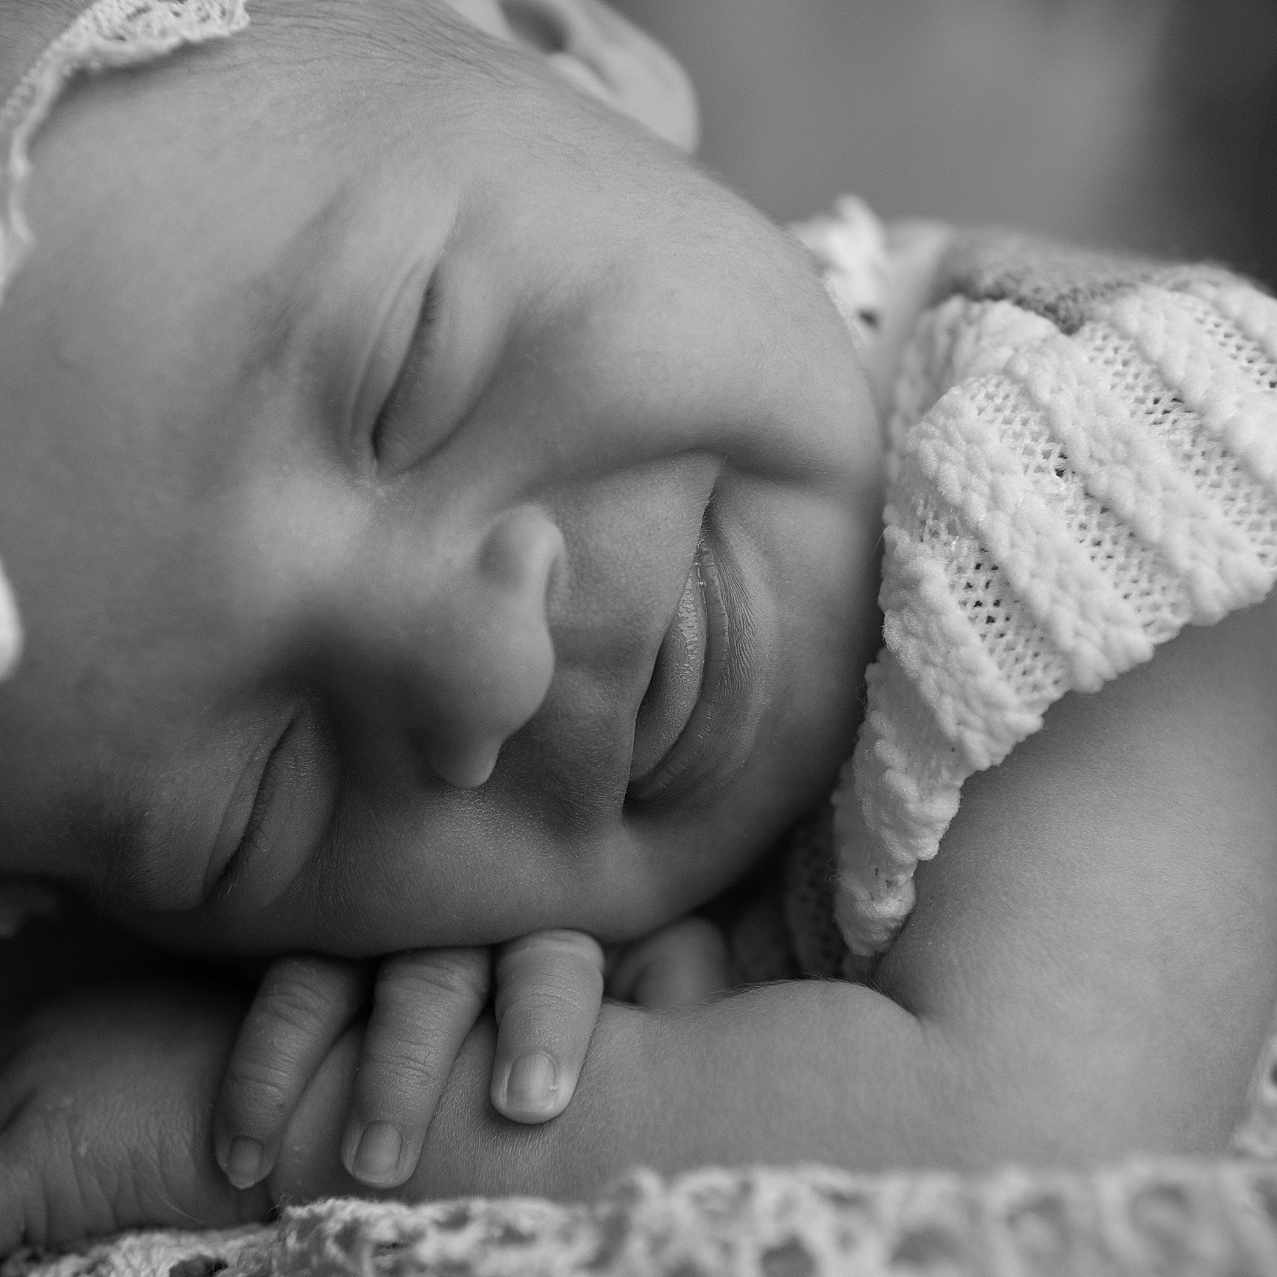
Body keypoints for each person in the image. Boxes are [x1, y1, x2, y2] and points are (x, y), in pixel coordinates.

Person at [1, 0, 1275, 1253]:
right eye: (254, 804)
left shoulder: (1104, 450)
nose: (488, 661)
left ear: (571, 55)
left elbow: (1025, 1153)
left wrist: (233, 1119)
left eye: (411, 374)